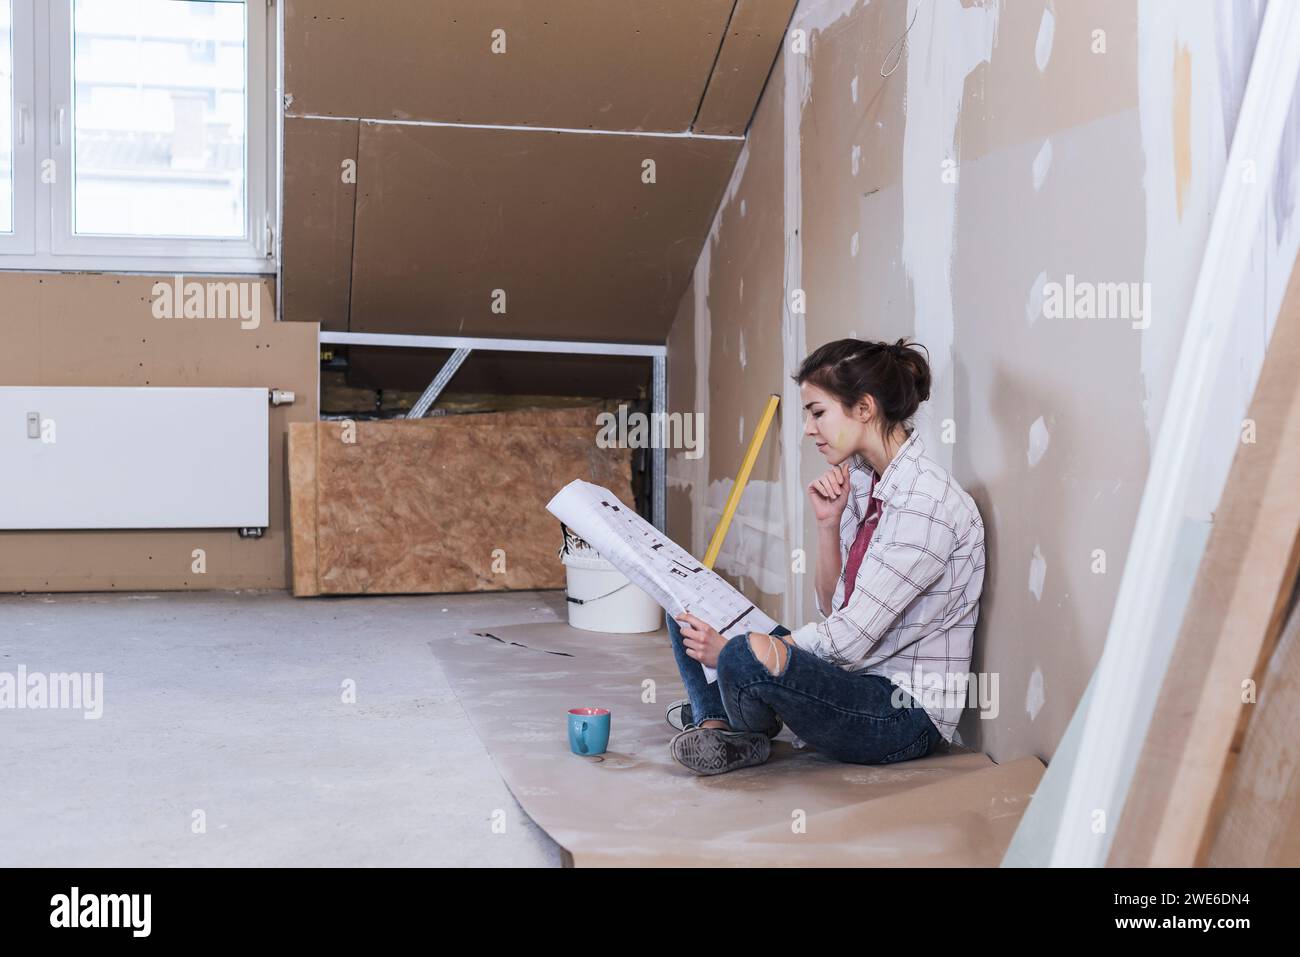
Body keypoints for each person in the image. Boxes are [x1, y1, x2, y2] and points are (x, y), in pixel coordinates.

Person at [665, 337, 986, 775]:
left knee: (741, 655)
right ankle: (720, 724)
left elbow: (849, 639)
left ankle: (735, 715)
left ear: (864, 408)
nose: (809, 428)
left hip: (898, 713)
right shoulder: (861, 480)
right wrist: (827, 525)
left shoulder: (926, 503)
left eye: (818, 412)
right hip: (851, 676)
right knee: (685, 597)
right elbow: (833, 605)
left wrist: (730, 654)